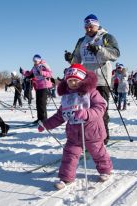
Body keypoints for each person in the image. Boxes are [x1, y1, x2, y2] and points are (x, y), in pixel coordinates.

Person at [38, 64, 113, 190]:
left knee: (98, 153)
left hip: (92, 132)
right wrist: (45, 125)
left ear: (82, 79)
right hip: (74, 134)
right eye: (70, 80)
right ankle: (66, 177)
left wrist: (87, 113)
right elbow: (60, 116)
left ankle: (105, 170)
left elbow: (100, 107)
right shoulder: (67, 98)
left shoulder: (92, 93)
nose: (73, 83)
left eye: (75, 80)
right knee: (69, 155)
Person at [64, 14, 120, 144]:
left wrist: (99, 49)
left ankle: (103, 138)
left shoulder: (106, 37)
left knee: (100, 110)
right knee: (84, 109)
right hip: (86, 80)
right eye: (86, 27)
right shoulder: (81, 40)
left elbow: (115, 54)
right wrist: (70, 58)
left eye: (91, 26)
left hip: (101, 79)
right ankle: (88, 136)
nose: (88, 29)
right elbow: (77, 59)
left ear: (97, 25)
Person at [27, 54, 53, 123]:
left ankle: (44, 119)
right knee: (38, 103)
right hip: (38, 86)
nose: (34, 62)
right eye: (33, 61)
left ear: (39, 60)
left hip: (45, 85)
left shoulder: (44, 65)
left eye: (35, 61)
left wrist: (42, 72)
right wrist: (24, 72)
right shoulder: (34, 67)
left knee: (42, 103)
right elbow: (30, 74)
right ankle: (39, 119)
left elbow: (50, 73)